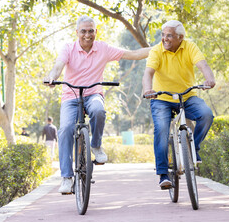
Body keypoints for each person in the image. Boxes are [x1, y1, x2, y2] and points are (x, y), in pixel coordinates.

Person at [44, 15, 151, 194]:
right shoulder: (68, 48)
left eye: (91, 31)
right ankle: (66, 178)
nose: (87, 35)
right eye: (84, 31)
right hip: (71, 96)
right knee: (65, 129)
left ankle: (96, 145)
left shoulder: (103, 48)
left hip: (93, 93)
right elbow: (58, 66)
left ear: (95, 32)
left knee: (99, 110)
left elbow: (133, 54)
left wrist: (160, 47)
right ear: (77, 32)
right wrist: (52, 77)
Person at [142, 20, 215, 189]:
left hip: (187, 96)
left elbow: (202, 65)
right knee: (161, 129)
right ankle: (162, 174)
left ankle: (193, 149)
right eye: (163, 35)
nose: (165, 39)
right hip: (162, 98)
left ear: (180, 37)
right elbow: (148, 73)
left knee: (206, 115)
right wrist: (148, 89)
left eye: (169, 36)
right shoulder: (156, 50)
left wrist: (209, 79)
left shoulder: (189, 46)